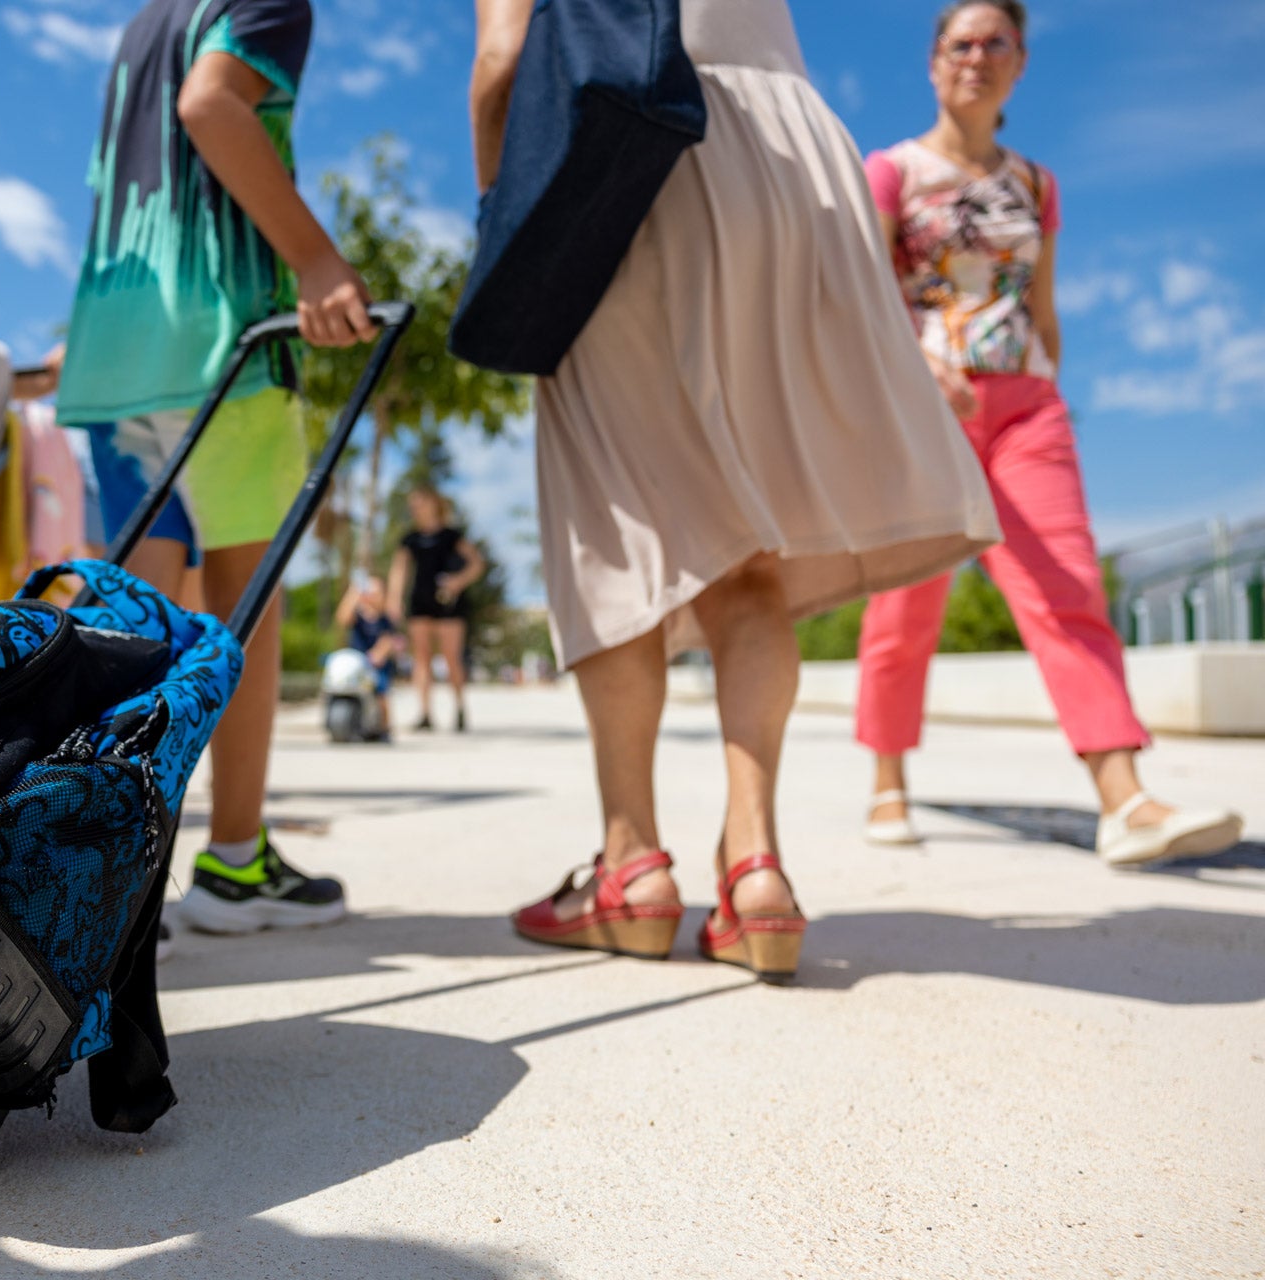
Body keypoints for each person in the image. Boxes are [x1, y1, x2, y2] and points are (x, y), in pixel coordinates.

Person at [474, 0, 1002, 982]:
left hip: (626, 151)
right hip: (794, 162)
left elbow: (504, 56)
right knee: (750, 533)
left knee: (615, 520)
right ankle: (756, 868)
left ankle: (631, 868)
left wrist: (506, 221)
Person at [853, 1, 1241, 867]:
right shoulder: (892, 172)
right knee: (906, 602)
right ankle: (887, 778)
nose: (977, 57)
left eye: (997, 43)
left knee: (1066, 588)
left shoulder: (1035, 183)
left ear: (1021, 61)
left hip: (1026, 406)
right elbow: (865, 293)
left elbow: (1043, 304)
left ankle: (1124, 798)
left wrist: (1051, 385)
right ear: (932, 61)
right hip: (923, 411)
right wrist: (919, 367)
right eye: (961, 42)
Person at [53, 0, 377, 937]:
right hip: (224, 348)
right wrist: (316, 259)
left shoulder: (148, 20)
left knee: (130, 626)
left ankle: (106, 876)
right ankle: (236, 860)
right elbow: (213, 106)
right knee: (244, 614)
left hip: (116, 352)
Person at [385, 486, 484, 732]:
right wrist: (394, 599)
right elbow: (399, 570)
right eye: (413, 504)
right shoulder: (410, 539)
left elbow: (476, 564)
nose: (415, 507)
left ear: (434, 503)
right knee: (421, 658)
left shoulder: (452, 536)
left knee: (452, 657)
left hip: (449, 602)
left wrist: (458, 581)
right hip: (420, 601)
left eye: (420, 502)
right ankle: (425, 713)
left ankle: (460, 708)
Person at [335, 574, 402, 740]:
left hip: (375, 664)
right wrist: (353, 593)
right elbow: (342, 618)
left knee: (381, 693)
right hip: (356, 662)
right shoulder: (358, 617)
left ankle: (385, 728)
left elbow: (387, 639)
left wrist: (379, 654)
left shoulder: (384, 619)